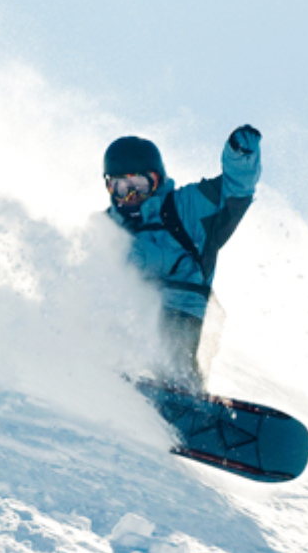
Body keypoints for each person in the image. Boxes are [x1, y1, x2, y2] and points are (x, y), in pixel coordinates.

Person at [104, 125, 262, 389]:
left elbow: (234, 190)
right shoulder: (106, 229)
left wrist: (240, 156)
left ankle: (183, 393)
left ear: (157, 181)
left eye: (140, 185)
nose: (131, 197)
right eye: (121, 187)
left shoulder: (184, 208)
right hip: (125, 313)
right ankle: (105, 372)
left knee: (175, 359)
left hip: (181, 309)